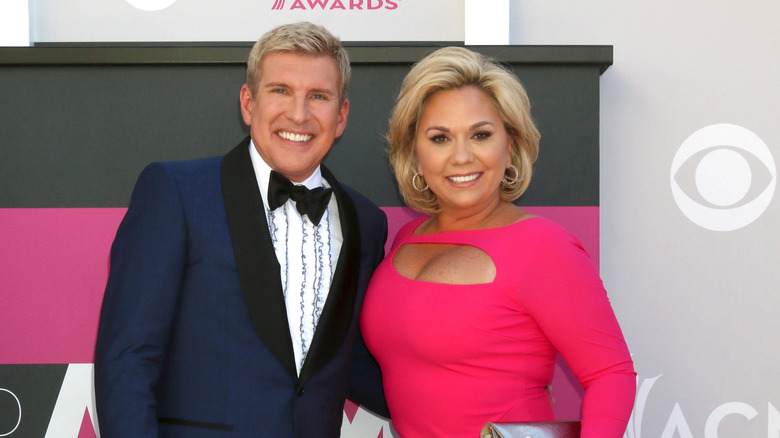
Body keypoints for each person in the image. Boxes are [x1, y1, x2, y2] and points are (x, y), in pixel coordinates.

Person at [94, 22, 388, 438]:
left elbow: (352, 362)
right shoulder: (176, 193)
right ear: (248, 103)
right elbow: (128, 359)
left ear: (340, 116)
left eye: (318, 96)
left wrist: (466, 394)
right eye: (280, 90)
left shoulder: (366, 221)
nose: (299, 114)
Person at [360, 46, 636, 437]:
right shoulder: (407, 237)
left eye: (481, 135)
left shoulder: (544, 248)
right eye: (440, 138)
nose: (461, 156)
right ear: (416, 156)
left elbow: (611, 373)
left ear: (510, 146)